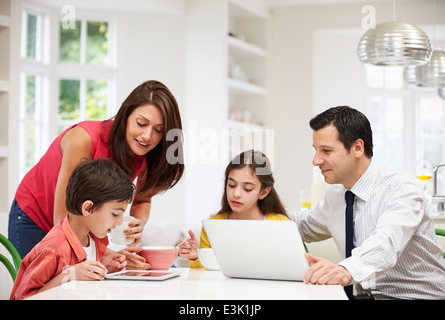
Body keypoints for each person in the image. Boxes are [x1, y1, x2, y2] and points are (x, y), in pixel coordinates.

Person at [8, 80, 184, 260]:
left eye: (159, 130)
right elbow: (62, 218)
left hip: (77, 226)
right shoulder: (83, 139)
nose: (147, 136)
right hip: (34, 217)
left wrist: (136, 225)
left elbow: (143, 199)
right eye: (141, 123)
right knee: (45, 286)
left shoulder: (146, 154)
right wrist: (107, 255)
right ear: (125, 116)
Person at [295, 105, 445, 299]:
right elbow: (304, 225)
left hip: (417, 296)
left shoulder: (401, 188)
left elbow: (386, 242)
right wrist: (254, 208)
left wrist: (344, 270)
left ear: (357, 148)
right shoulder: (337, 194)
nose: (315, 161)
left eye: (326, 150)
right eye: (316, 150)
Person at [10, 158, 140, 300]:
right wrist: (70, 275)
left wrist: (104, 266)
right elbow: (24, 297)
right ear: (88, 208)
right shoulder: (53, 250)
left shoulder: (93, 238)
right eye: (115, 214)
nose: (120, 222)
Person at [179, 150, 289, 268]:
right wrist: (198, 257)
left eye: (247, 188)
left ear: (263, 192)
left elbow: (290, 267)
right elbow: (206, 274)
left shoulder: (281, 224)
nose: (236, 194)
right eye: (231, 185)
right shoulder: (213, 224)